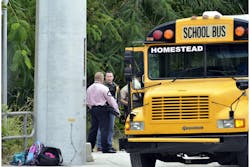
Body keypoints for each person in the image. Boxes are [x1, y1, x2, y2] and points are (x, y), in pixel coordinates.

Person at [87, 72, 120, 153]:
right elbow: (111, 100)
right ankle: (106, 148)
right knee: (104, 129)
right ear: (102, 79)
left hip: (93, 109)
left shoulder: (89, 88)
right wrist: (117, 110)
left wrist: (91, 108)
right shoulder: (104, 88)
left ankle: (89, 147)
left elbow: (87, 101)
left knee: (93, 129)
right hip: (103, 109)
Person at [96, 71, 119, 151]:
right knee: (101, 127)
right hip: (103, 108)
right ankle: (99, 145)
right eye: (108, 76)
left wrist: (116, 109)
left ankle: (109, 144)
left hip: (112, 109)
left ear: (113, 77)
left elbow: (116, 99)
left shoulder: (116, 87)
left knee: (111, 128)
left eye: (110, 76)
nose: (109, 78)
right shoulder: (102, 86)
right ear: (105, 78)